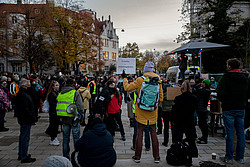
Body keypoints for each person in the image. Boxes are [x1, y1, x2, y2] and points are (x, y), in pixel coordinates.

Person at [123, 61, 163, 163]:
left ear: (145, 70)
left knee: (139, 133)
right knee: (153, 133)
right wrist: (154, 106)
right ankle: (157, 157)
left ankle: (137, 157)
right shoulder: (158, 80)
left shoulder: (140, 79)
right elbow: (161, 98)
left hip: (141, 111)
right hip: (153, 112)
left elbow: (127, 88)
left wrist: (124, 78)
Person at [217, 58, 250, 164]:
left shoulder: (226, 78)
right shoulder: (245, 78)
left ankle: (229, 157)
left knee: (230, 134)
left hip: (229, 108)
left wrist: (224, 101)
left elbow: (220, 93)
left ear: (229, 66)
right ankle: (240, 157)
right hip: (241, 108)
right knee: (241, 133)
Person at [171, 80, 198, 166]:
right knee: (191, 140)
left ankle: (178, 156)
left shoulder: (178, 98)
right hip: (189, 122)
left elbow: (174, 112)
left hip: (179, 122)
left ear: (182, 88)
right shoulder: (194, 98)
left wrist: (173, 121)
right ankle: (189, 158)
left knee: (178, 140)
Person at [56, 78, 84, 159]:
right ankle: (76, 156)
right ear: (73, 84)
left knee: (65, 138)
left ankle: (65, 156)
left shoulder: (61, 93)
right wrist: (81, 116)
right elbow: (80, 106)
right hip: (74, 117)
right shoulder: (75, 93)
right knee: (76, 138)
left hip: (64, 118)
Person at [15, 78, 36, 163]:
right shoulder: (23, 95)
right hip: (25, 119)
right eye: (28, 83)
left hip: (24, 118)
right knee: (25, 137)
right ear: (24, 85)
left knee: (23, 137)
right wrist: (32, 116)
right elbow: (25, 109)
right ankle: (24, 155)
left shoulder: (23, 93)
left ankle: (22, 154)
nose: (30, 84)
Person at [45, 80, 60, 146]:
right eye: (56, 85)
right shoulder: (52, 94)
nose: (58, 86)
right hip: (53, 112)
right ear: (53, 87)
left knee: (55, 126)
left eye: (58, 85)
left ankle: (54, 138)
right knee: (53, 125)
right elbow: (52, 104)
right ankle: (53, 138)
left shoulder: (56, 93)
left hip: (56, 112)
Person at [196, 79, 211, 144]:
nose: (201, 83)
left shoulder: (204, 91)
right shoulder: (206, 90)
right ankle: (203, 136)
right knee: (202, 123)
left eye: (202, 82)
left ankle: (204, 138)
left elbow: (197, 95)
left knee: (203, 124)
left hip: (201, 109)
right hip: (202, 108)